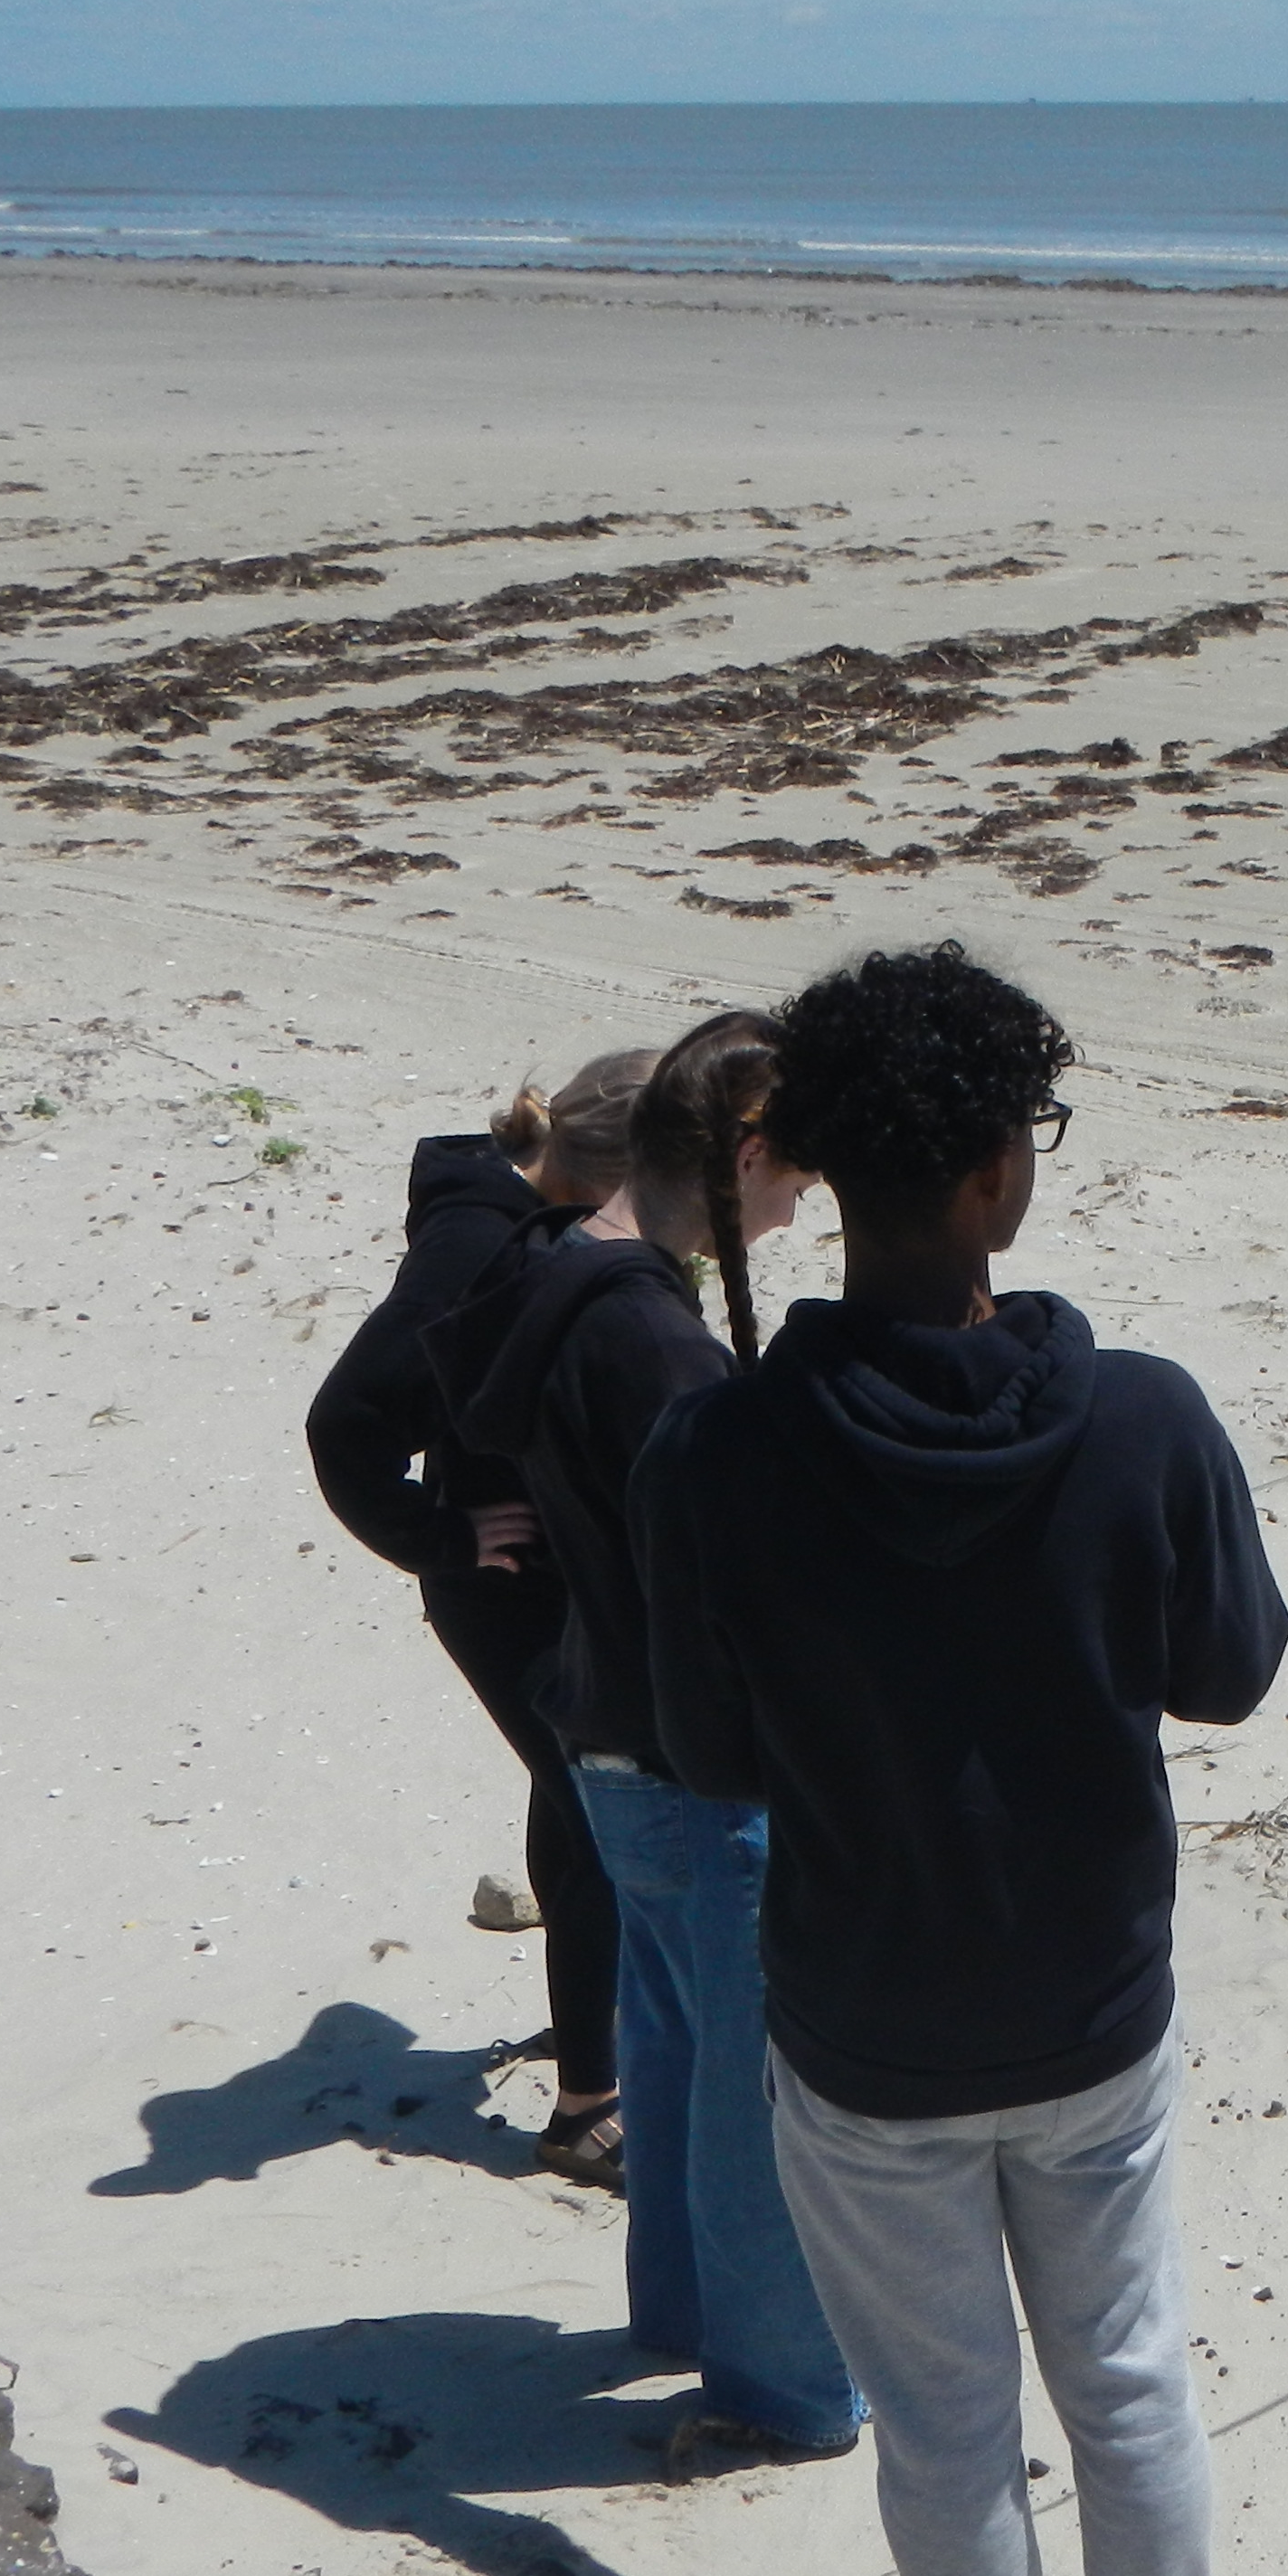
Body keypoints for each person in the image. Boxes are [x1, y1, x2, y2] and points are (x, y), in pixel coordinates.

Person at [636, 942, 1286, 2576]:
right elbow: (1232, 1670)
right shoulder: (1143, 1417)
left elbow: (705, 1747)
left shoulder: (721, 1449)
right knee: (1129, 2378)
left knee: (943, 2421)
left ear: (826, 1175)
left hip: (867, 2027)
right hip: (1086, 2009)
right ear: (1001, 1173)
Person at [426, 1013, 867, 2458]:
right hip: (686, 1756)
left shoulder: (558, 1275)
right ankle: (786, 2387)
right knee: (754, 2085)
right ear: (741, 1156)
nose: (802, 1207)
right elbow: (740, 1574)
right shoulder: (649, 1334)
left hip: (605, 1734)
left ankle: (678, 2313)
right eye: (796, 1178)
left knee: (674, 2039)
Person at [303, 1052, 649, 2184]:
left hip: (543, 1574)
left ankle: (585, 2020)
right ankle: (588, 2110)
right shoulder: (474, 1245)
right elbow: (344, 1423)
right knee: (597, 1808)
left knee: (571, 1792)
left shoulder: (516, 1213)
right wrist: (445, 1535)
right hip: (496, 1586)